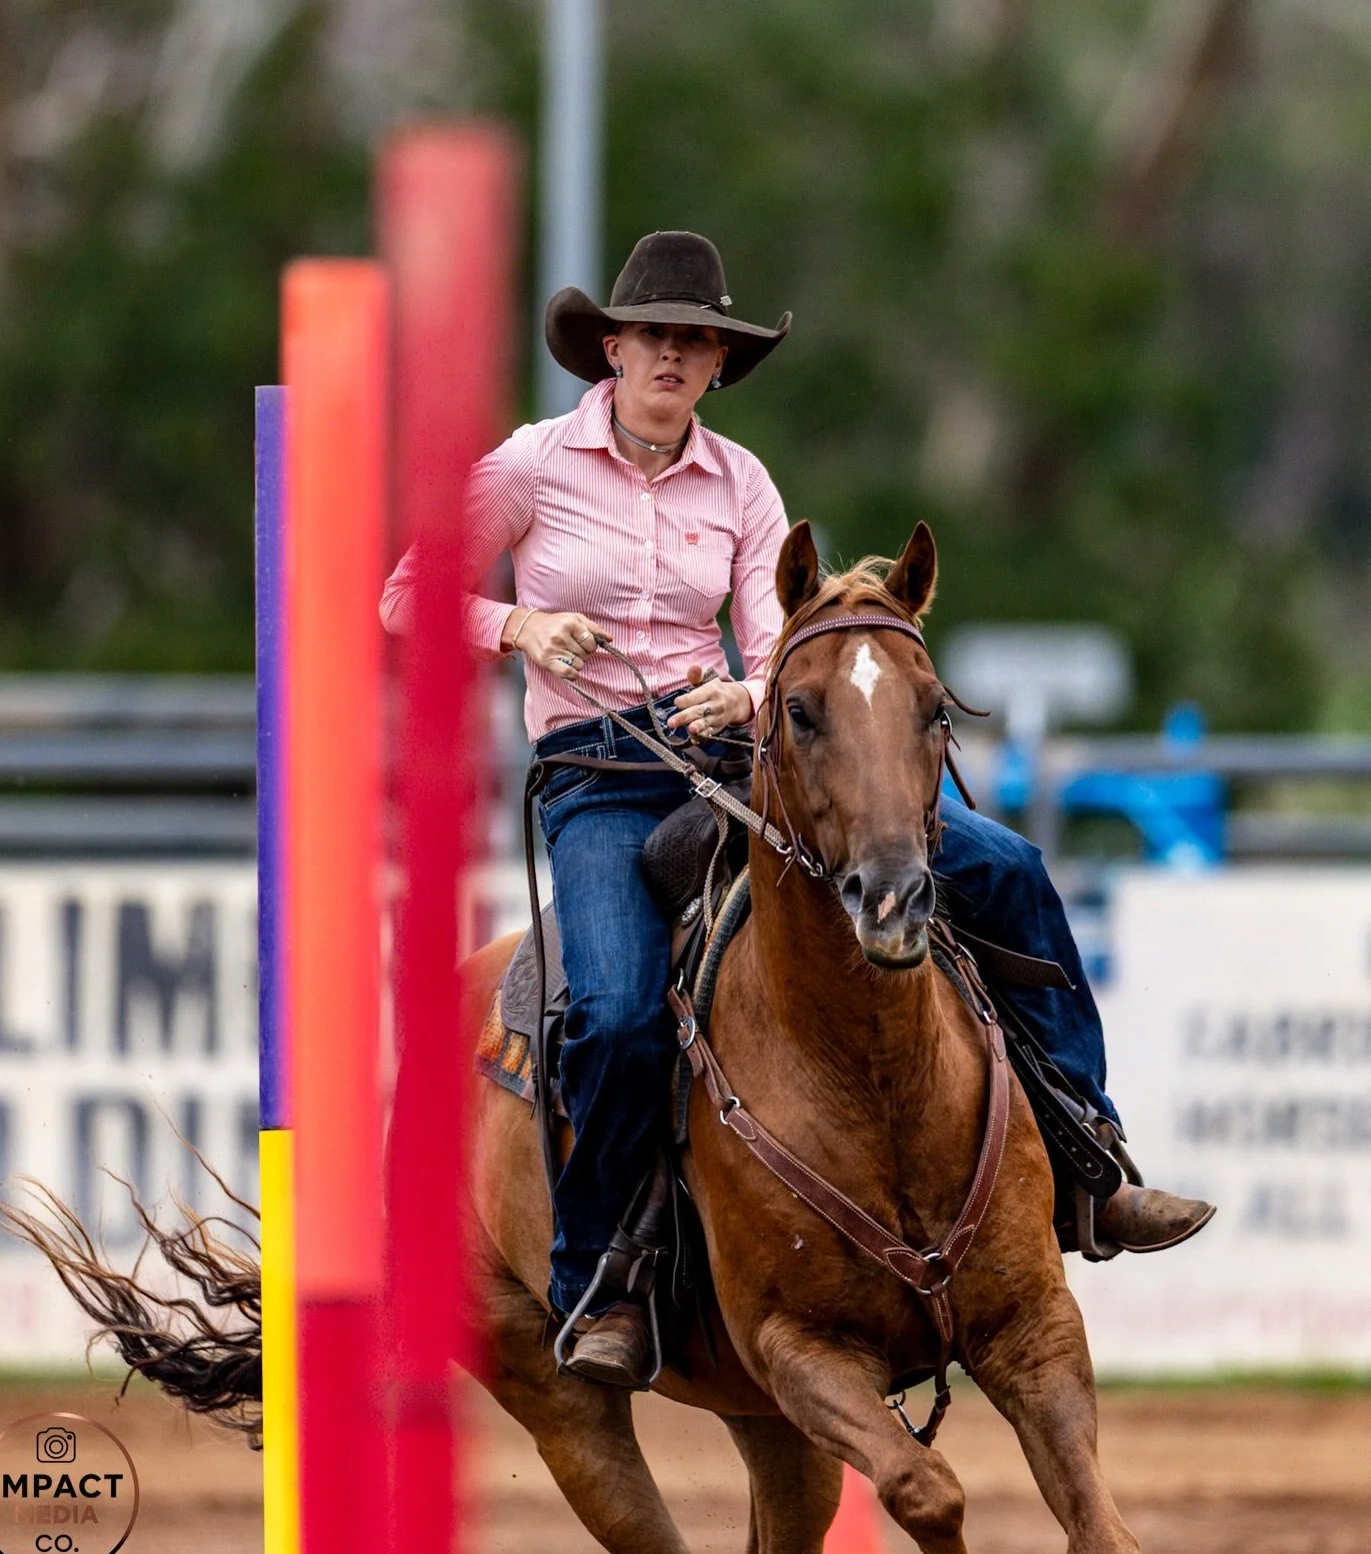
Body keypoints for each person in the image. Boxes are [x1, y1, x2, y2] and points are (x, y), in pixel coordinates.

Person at [381, 231, 1211, 1389]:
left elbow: (786, 645)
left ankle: (1089, 1157)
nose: (674, 357)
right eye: (655, 336)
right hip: (599, 775)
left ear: (719, 364)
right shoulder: (529, 468)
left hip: (734, 759)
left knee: (1010, 870)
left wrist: (752, 686)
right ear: (611, 348)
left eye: (697, 341)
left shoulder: (744, 484)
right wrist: (520, 627)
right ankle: (601, 1280)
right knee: (616, 1008)